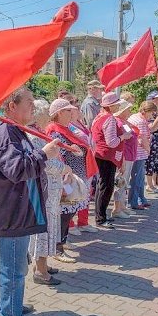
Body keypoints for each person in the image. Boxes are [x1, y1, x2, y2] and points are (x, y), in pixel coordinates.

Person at [0, 86, 61, 316]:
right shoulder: (6, 133)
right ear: (11, 107)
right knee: (14, 269)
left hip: (19, 213)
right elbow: (17, 170)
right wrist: (43, 154)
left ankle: (9, 306)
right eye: (28, 102)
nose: (33, 106)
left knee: (14, 265)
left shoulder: (16, 131)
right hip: (12, 215)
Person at [27, 99, 71, 286]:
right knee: (42, 230)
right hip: (44, 191)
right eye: (46, 113)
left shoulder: (37, 133)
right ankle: (40, 270)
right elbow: (46, 162)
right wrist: (65, 168)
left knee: (48, 227)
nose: (48, 117)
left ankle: (42, 265)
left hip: (49, 191)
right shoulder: (34, 136)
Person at [46, 98, 94, 263]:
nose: (72, 112)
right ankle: (57, 247)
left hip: (73, 176)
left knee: (70, 210)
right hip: (65, 178)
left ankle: (62, 242)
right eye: (68, 110)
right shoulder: (54, 131)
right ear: (59, 113)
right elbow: (58, 154)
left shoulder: (66, 128)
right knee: (64, 213)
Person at [90, 92, 131, 228]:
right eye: (117, 104)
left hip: (100, 154)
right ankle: (101, 218)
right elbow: (112, 142)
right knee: (106, 187)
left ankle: (101, 216)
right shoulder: (109, 119)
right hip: (106, 156)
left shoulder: (99, 117)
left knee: (102, 186)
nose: (118, 106)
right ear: (112, 106)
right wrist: (124, 137)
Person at [62, 93, 98, 236]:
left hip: (85, 162)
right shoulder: (68, 126)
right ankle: (70, 225)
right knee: (72, 194)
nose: (78, 110)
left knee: (85, 193)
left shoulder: (80, 123)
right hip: (74, 164)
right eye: (74, 108)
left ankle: (83, 222)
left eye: (77, 107)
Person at [127, 101, 156, 210]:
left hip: (134, 152)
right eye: (151, 113)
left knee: (137, 177)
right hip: (139, 153)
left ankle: (140, 198)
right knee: (137, 178)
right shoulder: (141, 122)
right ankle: (134, 201)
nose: (151, 116)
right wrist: (148, 149)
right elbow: (142, 139)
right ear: (145, 111)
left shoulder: (134, 117)